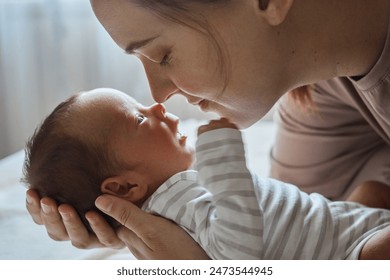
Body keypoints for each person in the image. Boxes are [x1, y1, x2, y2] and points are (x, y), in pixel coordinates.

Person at [25, 0, 390, 258]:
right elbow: (320, 222)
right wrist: (138, 223)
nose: (159, 95)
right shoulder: (319, 85)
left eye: (163, 54)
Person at [22, 88, 390, 259]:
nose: (157, 106)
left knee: (371, 194)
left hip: (339, 227)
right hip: (348, 252)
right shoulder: (172, 205)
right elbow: (239, 252)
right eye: (138, 118)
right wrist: (223, 160)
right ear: (126, 186)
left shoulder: (173, 196)